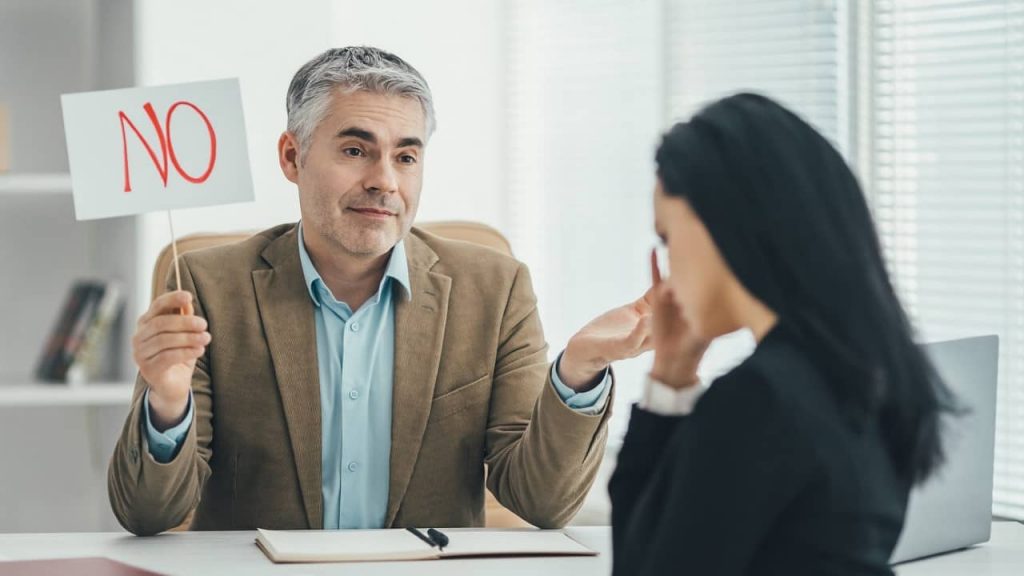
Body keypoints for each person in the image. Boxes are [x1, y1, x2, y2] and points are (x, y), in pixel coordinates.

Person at [108, 47, 655, 536]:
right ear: (292, 158)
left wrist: (579, 369)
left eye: (406, 157)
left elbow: (542, 503)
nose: (385, 181)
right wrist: (167, 401)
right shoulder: (206, 286)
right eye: (355, 151)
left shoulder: (495, 288)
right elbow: (147, 515)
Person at [610, 93, 957, 575]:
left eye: (668, 237)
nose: (666, 271)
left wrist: (663, 385)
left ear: (719, 219)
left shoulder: (759, 400)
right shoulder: (865, 382)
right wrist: (673, 371)